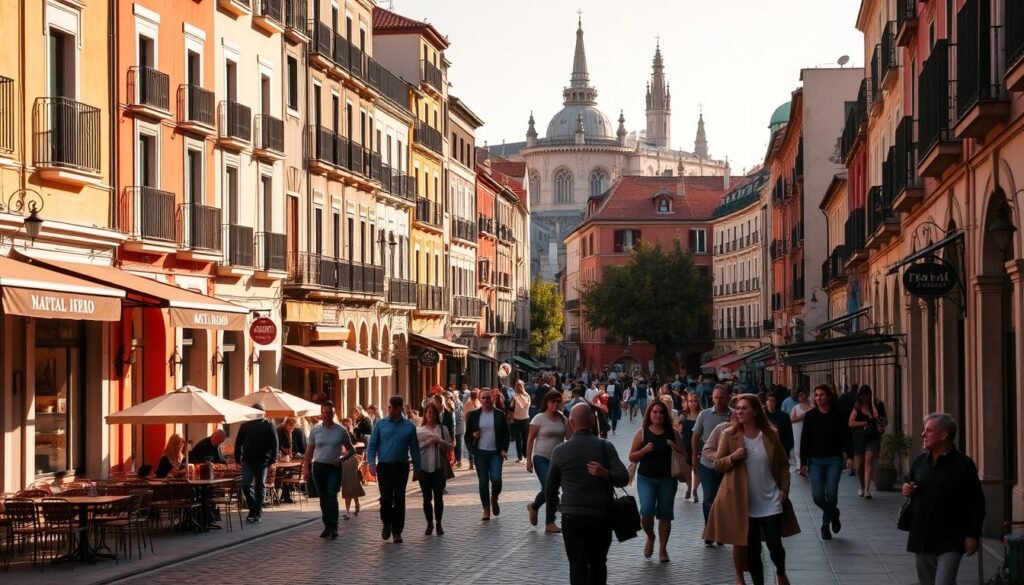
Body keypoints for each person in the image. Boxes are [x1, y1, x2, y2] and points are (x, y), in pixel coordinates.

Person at [706, 394, 798, 585]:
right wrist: (733, 457)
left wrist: (784, 491)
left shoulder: (771, 435)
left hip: (771, 499)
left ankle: (780, 572)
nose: (739, 412)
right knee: (753, 550)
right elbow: (717, 465)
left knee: (775, 544)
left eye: (744, 408)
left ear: (755, 411)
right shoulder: (729, 435)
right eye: (738, 408)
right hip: (744, 503)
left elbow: (783, 465)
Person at [546, 403, 630, 585]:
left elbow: (550, 487)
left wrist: (551, 514)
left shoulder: (560, 451)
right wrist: (605, 473)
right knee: (598, 563)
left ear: (571, 423)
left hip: (572, 516)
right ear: (593, 421)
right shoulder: (605, 447)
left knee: (577, 565)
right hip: (600, 515)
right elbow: (623, 478)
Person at [902, 413, 985, 585]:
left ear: (943, 435)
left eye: (928, 431)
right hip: (922, 537)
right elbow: (909, 481)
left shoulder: (963, 465)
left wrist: (972, 535)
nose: (923, 434)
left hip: (951, 539)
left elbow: (977, 502)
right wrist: (907, 488)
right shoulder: (919, 461)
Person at [628, 400, 687, 563]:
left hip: (668, 479)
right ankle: (651, 536)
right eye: (655, 412)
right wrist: (644, 450)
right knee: (646, 512)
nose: (658, 415)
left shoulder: (673, 432)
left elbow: (684, 454)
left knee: (665, 514)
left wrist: (675, 447)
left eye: (661, 412)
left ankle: (662, 549)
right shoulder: (642, 432)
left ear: (665, 415)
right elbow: (631, 456)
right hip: (646, 479)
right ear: (649, 414)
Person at [367, 395, 421, 544]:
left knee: (399, 498)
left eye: (393, 408)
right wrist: (371, 463)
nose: (390, 410)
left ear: (399, 408)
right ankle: (386, 523)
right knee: (385, 499)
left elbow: (415, 449)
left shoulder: (409, 426)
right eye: (388, 407)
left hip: (401, 466)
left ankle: (397, 531)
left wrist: (417, 468)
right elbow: (372, 445)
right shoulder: (380, 425)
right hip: (384, 466)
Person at [799, 384, 848, 540]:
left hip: (834, 459)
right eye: (816, 395)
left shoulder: (838, 416)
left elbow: (847, 436)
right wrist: (803, 462)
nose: (818, 398)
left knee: (831, 493)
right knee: (818, 496)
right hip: (815, 461)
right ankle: (834, 512)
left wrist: (851, 456)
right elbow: (804, 440)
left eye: (821, 395)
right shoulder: (810, 416)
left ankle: (825, 525)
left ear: (828, 397)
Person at [301, 401, 355, 538]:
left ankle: (334, 526)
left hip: (334, 467)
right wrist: (306, 469)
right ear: (321, 413)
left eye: (329, 413)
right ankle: (327, 526)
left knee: (331, 495)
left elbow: (351, 450)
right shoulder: (315, 429)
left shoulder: (341, 430)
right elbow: (309, 451)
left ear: (333, 413)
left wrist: (342, 458)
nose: (326, 415)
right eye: (324, 413)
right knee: (323, 498)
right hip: (318, 467)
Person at [525, 389, 570, 533]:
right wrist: (528, 460)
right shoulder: (539, 418)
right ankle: (549, 521)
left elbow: (569, 438)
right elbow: (530, 439)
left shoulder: (563, 418)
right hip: (541, 458)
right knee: (548, 488)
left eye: (558, 402)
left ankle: (536, 508)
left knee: (552, 489)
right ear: (547, 402)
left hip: (557, 460)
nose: (555, 404)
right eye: (552, 402)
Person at [692, 384, 732, 542]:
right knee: (709, 498)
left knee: (723, 499)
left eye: (722, 397)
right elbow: (696, 436)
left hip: (728, 465)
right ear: (712, 398)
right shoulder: (704, 414)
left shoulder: (735, 415)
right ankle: (710, 528)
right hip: (707, 464)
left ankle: (720, 529)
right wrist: (694, 456)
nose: (719, 400)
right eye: (716, 397)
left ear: (728, 397)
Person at [465, 388, 510, 521]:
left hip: (496, 452)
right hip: (480, 453)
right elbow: (468, 435)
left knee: (496, 479)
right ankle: (486, 508)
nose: (486, 400)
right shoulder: (473, 415)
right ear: (479, 399)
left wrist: (503, 449)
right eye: (483, 398)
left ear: (492, 398)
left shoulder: (499, 414)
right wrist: (473, 443)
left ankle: (494, 497)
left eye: (488, 398)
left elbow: (506, 434)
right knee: (483, 481)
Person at [234, 403, 279, 524]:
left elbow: (275, 444)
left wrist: (272, 461)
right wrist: (237, 458)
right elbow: (238, 443)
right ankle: (253, 509)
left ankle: (257, 512)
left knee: (260, 486)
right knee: (245, 484)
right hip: (247, 460)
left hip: (263, 461)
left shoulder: (269, 425)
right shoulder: (245, 426)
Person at [416, 401, 453, 536]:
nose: (430, 415)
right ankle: (429, 523)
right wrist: (427, 443)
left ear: (436, 414)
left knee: (438, 497)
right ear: (424, 414)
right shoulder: (419, 431)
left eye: (432, 412)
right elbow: (414, 450)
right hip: (423, 468)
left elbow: (450, 446)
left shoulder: (442, 429)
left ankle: (439, 523)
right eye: (428, 412)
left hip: (438, 468)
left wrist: (439, 441)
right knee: (426, 497)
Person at [338, 417, 364, 520]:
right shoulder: (338, 437)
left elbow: (353, 449)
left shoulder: (350, 437)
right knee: (347, 487)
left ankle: (356, 502)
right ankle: (348, 511)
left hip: (350, 462)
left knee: (352, 486)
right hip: (343, 462)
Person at [680, 392, 701, 503]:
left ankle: (694, 490)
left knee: (698, 469)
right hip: (686, 445)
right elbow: (679, 431)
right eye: (690, 401)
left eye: (695, 400)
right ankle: (688, 487)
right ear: (687, 402)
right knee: (687, 470)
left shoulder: (702, 415)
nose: (692, 403)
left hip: (699, 445)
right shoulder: (683, 415)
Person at [766, 394, 794, 459]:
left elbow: (789, 434)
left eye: (773, 400)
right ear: (766, 402)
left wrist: (786, 449)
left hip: (781, 449)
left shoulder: (784, 416)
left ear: (776, 402)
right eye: (769, 400)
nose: (771, 402)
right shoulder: (761, 416)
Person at [789, 389, 812, 469]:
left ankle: (809, 463)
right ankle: (799, 464)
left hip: (810, 429)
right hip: (798, 429)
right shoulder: (796, 408)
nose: (802, 397)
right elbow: (792, 419)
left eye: (803, 394)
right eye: (800, 395)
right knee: (798, 445)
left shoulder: (812, 407)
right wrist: (803, 416)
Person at [511, 381, 532, 462]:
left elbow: (526, 406)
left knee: (525, 438)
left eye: (520, 386)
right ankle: (520, 457)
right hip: (516, 419)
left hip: (525, 419)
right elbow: (511, 407)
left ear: (523, 387)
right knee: (518, 439)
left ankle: (525, 455)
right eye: (517, 386)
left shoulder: (527, 396)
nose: (519, 388)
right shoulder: (515, 396)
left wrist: (521, 397)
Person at [463, 388, 481, 470]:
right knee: (471, 444)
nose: (475, 398)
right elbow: (465, 416)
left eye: (475, 396)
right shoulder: (467, 404)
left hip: (478, 427)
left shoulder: (479, 403)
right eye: (474, 396)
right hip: (470, 427)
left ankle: (476, 461)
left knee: (477, 444)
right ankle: (471, 462)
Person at [451, 391, 466, 468]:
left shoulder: (458, 403)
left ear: (456, 396)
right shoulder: (453, 402)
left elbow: (457, 416)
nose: (452, 396)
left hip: (458, 427)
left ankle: (459, 460)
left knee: (458, 444)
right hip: (455, 427)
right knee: (454, 444)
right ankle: (455, 459)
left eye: (453, 395)